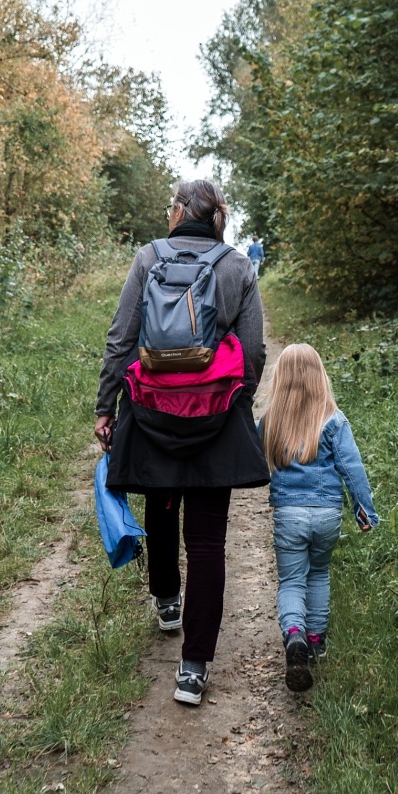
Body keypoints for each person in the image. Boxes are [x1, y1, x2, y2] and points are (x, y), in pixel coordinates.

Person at [94, 180, 269, 706]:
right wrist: (233, 395)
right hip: (214, 416)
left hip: (151, 411)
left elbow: (122, 337)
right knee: (209, 541)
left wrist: (107, 406)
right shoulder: (238, 267)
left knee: (162, 504)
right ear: (216, 215)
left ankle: (167, 598)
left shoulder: (148, 258)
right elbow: (255, 348)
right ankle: (193, 668)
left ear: (178, 212)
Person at [257, 342, 379, 693]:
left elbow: (251, 458)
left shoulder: (270, 420)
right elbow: (352, 468)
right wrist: (363, 510)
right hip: (326, 513)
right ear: (319, 377)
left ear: (280, 380)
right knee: (319, 573)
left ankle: (294, 636)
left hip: (289, 515)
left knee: (292, 580)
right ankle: (316, 641)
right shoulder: (333, 419)